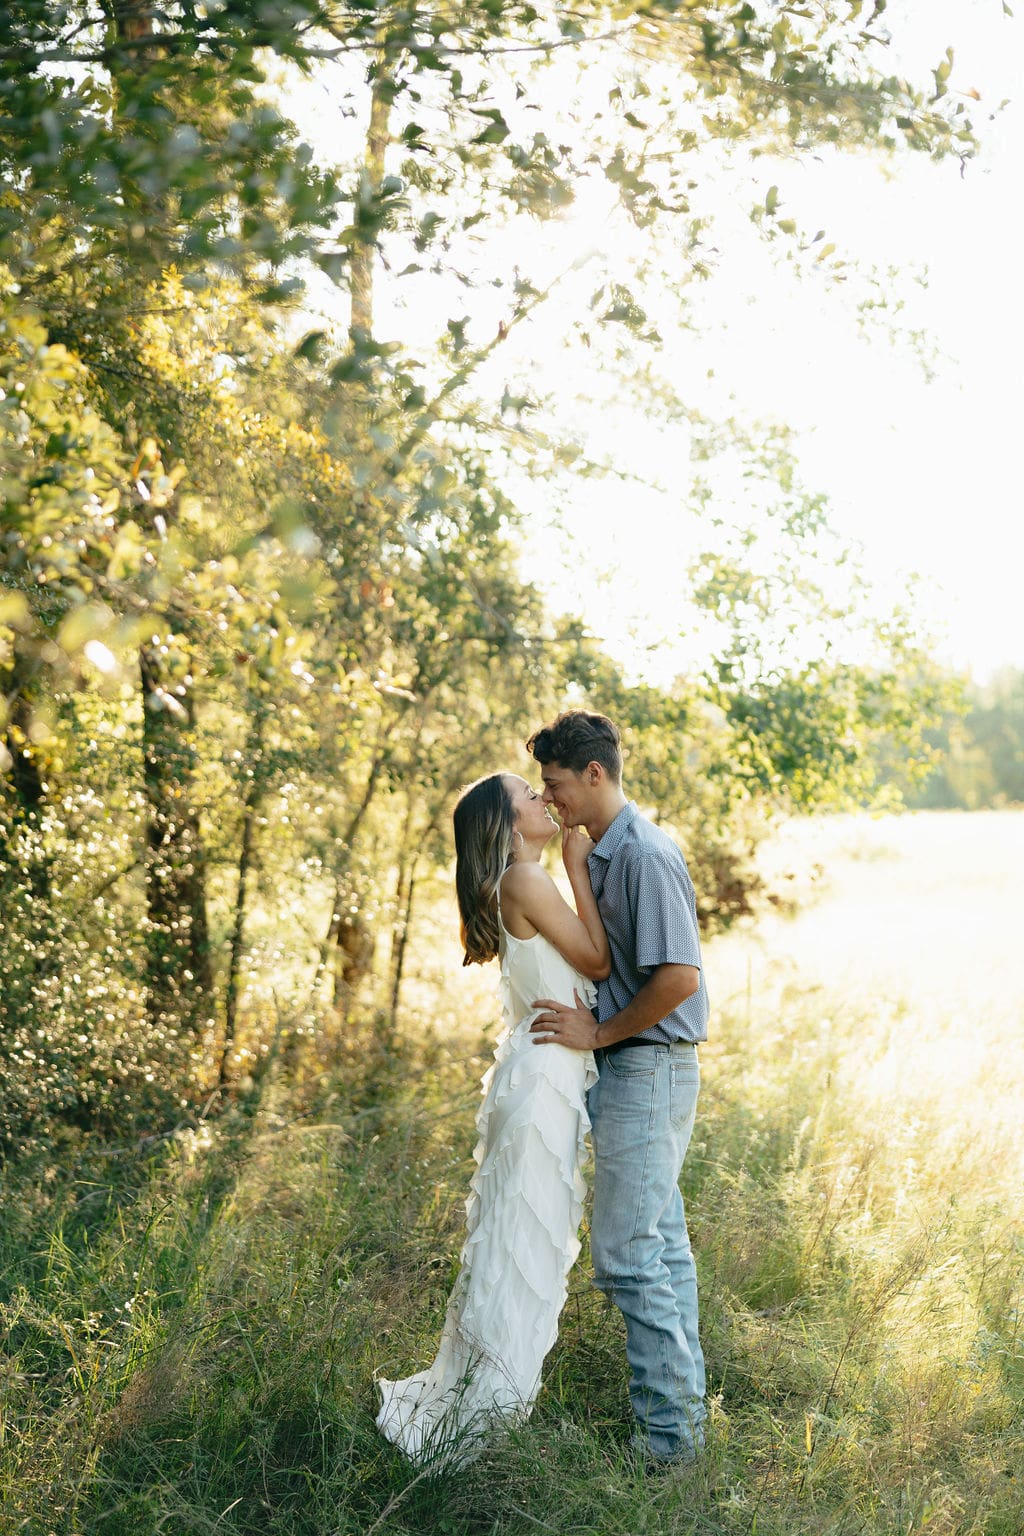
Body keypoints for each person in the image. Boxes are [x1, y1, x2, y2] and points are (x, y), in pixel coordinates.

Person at [376, 771, 611, 1468]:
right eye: (528, 796)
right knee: (520, 1245)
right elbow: (597, 961)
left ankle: (490, 1394)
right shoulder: (527, 879)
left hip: (540, 1077)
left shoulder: (519, 881)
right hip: (540, 1086)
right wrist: (578, 867)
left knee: (518, 1239)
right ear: (507, 828)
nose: (543, 798)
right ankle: (486, 1416)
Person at [526, 710, 708, 1464]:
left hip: (650, 1067)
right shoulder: (603, 852)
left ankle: (668, 1446)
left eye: (555, 782)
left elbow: (680, 979)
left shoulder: (643, 854)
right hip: (634, 1069)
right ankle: (683, 1432)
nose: (549, 796)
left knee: (628, 1256)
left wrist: (599, 1034)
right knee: (660, 1248)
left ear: (593, 773)